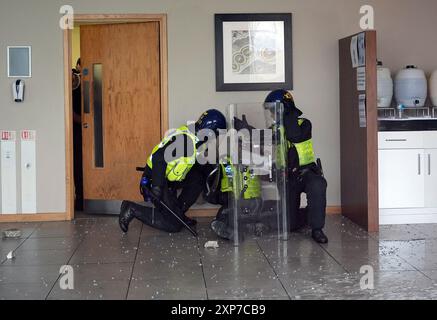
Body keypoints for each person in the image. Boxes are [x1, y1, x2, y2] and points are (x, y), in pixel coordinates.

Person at [118, 109, 227, 234]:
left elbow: (197, 162)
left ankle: (178, 213)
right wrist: (157, 187)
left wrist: (215, 179)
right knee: (173, 225)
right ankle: (131, 209)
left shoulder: (196, 137)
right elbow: (159, 157)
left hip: (171, 179)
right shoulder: (185, 141)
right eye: (216, 135)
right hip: (156, 178)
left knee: (198, 178)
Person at [265, 89, 328, 243]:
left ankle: (317, 229)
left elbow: (295, 136)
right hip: (288, 177)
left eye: (274, 111)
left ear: (284, 109)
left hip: (307, 173)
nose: (272, 115)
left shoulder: (304, 124)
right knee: (290, 225)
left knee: (318, 185)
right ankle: (308, 214)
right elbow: (260, 142)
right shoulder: (274, 130)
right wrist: (247, 130)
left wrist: (289, 115)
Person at [72, 58, 83, 211]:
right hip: (76, 131)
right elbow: (72, 113)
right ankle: (80, 199)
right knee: (78, 164)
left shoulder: (87, 85)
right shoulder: (74, 88)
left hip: (86, 129)